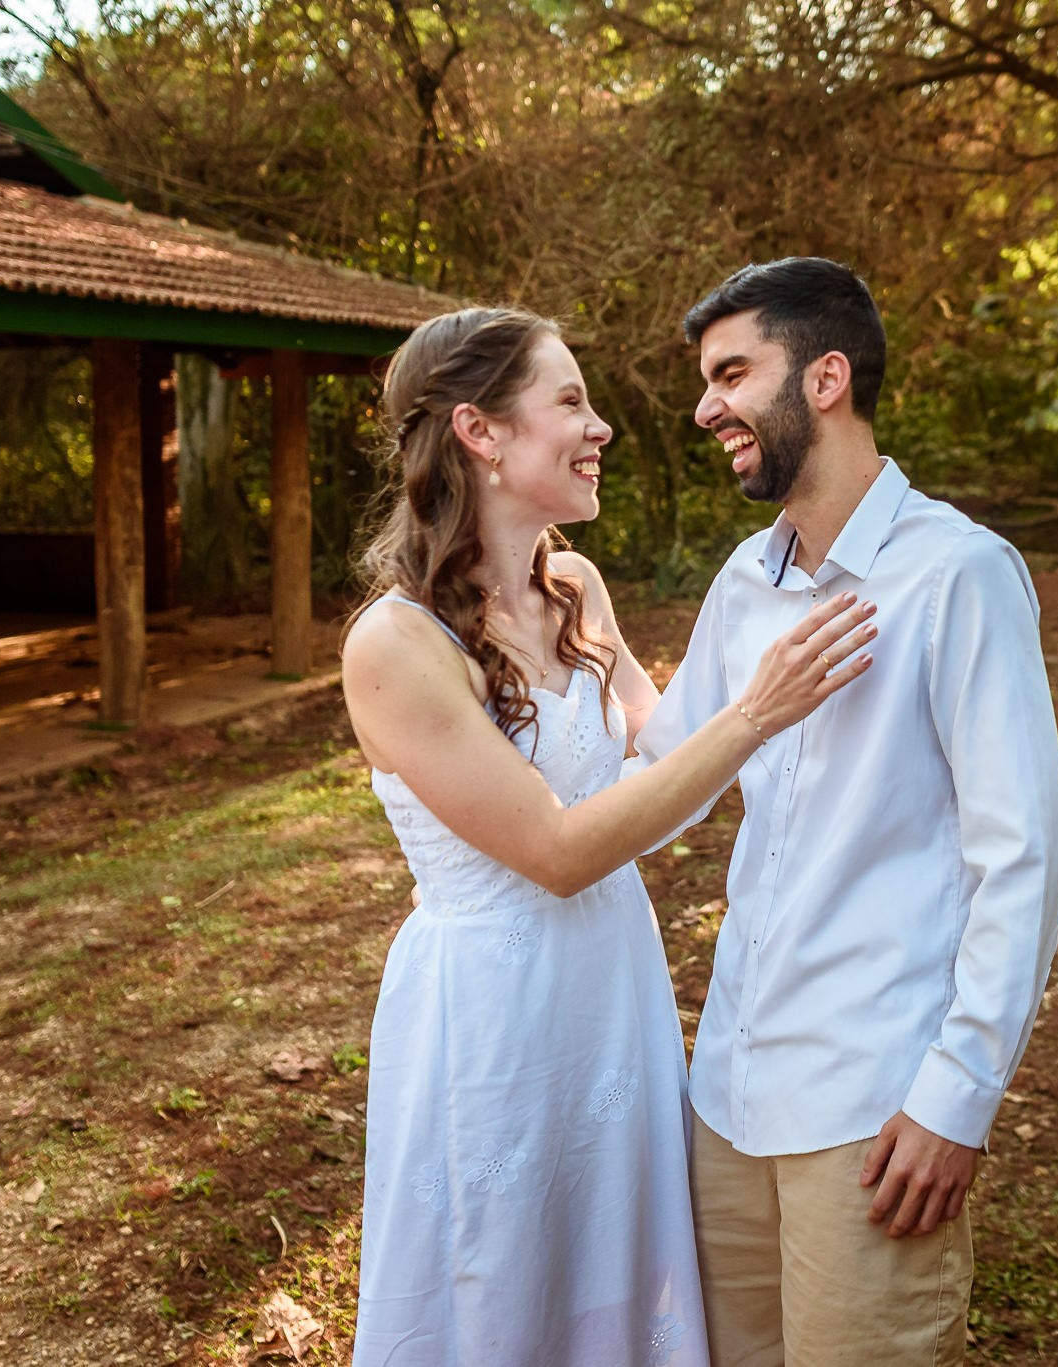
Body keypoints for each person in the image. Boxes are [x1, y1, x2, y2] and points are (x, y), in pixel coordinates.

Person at [338, 305, 877, 1367]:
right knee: (503, 1281)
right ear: (479, 432)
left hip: (611, 988)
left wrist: (777, 665)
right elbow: (558, 847)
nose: (603, 428)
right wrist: (754, 713)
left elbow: (666, 755)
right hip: (492, 1017)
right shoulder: (394, 643)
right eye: (572, 401)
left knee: (615, 1280)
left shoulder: (572, 584)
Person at [632, 258, 1058, 1366]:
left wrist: (956, 1097)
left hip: (872, 1111)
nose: (705, 406)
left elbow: (1017, 859)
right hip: (724, 1092)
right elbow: (659, 775)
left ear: (823, 377)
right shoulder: (743, 580)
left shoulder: (957, 573)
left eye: (730, 373)